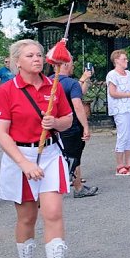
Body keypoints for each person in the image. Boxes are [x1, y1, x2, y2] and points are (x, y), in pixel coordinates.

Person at [0, 39, 76, 258]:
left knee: (53, 213)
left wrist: (56, 122)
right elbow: (0, 132)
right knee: (27, 217)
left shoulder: (55, 86)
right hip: (21, 155)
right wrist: (24, 163)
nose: (37, 59)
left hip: (49, 153)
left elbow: (68, 120)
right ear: (18, 61)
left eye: (39, 54)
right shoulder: (7, 90)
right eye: (30, 55)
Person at [53, 57, 98, 198]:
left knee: (56, 156)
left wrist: (85, 79)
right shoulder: (71, 83)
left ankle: (54, 188)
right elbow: (78, 106)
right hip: (70, 125)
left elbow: (80, 91)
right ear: (65, 65)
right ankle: (77, 187)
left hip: (53, 125)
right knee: (74, 156)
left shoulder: (48, 81)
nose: (73, 66)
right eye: (72, 64)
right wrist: (85, 126)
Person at [106, 49, 130, 175]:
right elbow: (112, 93)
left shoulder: (129, 74)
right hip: (120, 110)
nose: (126, 61)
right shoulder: (112, 75)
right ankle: (119, 165)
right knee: (122, 136)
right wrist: (128, 95)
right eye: (124, 59)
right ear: (116, 60)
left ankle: (128, 163)